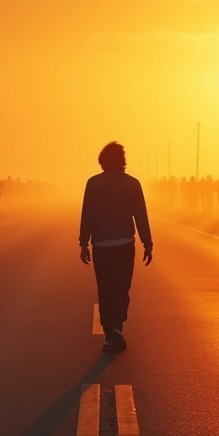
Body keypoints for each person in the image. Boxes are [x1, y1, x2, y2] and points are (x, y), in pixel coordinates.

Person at [79, 142, 153, 354]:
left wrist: (84, 243)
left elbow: (87, 215)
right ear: (123, 161)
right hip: (124, 245)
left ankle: (109, 331)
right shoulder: (132, 184)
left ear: (102, 161)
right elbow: (141, 216)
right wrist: (147, 243)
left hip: (102, 245)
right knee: (122, 288)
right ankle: (118, 327)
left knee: (105, 288)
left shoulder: (93, 183)